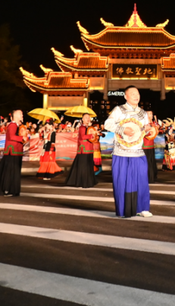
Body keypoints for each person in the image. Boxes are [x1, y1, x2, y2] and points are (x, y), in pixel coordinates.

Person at [105, 86, 152, 218]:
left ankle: (142, 208)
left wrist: (147, 129)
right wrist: (122, 130)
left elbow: (143, 131)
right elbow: (107, 124)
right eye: (132, 94)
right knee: (121, 181)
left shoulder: (143, 113)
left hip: (137, 151)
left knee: (141, 179)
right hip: (121, 152)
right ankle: (123, 209)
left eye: (137, 93)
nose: (136, 96)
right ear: (125, 96)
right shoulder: (119, 110)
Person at [0, 110, 26, 196]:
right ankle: (8, 189)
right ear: (16, 116)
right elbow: (12, 136)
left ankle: (11, 189)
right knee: (10, 171)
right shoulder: (12, 125)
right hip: (13, 151)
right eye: (20, 114)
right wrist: (22, 138)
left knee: (10, 171)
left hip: (16, 151)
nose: (22, 116)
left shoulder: (18, 126)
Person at [66, 114, 98, 188]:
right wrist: (91, 135)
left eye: (89, 118)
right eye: (86, 117)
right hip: (83, 150)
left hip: (89, 149)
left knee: (88, 166)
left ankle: (89, 181)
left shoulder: (89, 127)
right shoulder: (82, 127)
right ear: (82, 119)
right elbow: (83, 137)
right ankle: (83, 182)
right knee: (83, 167)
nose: (88, 119)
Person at [143, 111, 158, 184]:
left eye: (151, 114)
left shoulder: (152, 123)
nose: (151, 115)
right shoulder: (145, 123)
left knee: (150, 162)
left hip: (150, 145)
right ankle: (149, 177)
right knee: (147, 162)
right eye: (149, 114)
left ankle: (151, 177)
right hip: (145, 145)